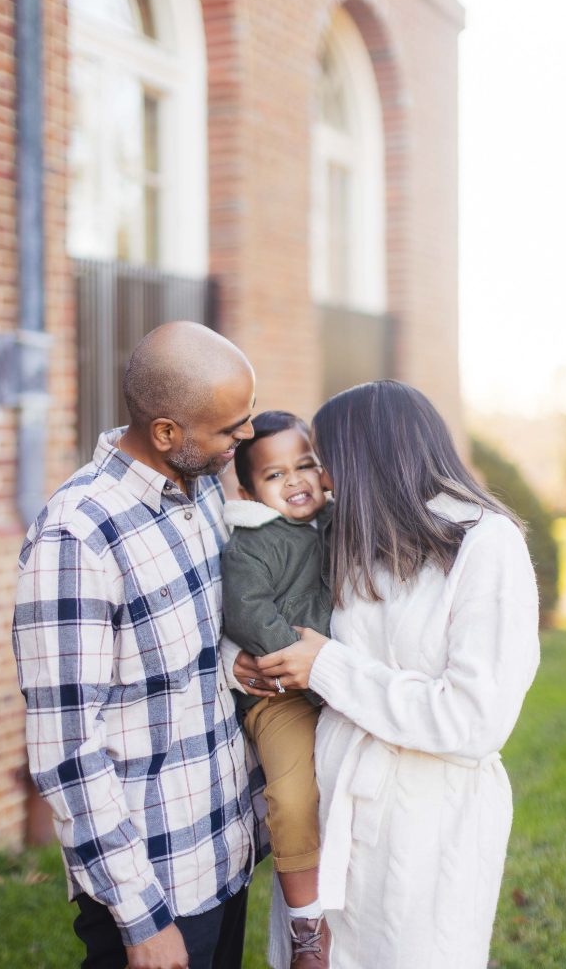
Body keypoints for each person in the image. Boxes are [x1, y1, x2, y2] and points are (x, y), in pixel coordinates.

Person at [253, 380, 540, 969]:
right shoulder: (355, 538)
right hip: (335, 794)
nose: (321, 480)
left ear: (369, 457)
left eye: (325, 461)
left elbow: (474, 719)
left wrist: (328, 666)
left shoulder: (486, 545)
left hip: (426, 821)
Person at [12, 321, 261, 969]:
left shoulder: (202, 491)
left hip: (223, 853)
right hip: (155, 882)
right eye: (231, 428)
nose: (247, 437)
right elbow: (66, 749)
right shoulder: (77, 537)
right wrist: (139, 917)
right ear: (166, 434)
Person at [221, 411, 332, 969]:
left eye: (305, 465)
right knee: (291, 798)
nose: (295, 481)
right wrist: (304, 666)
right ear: (247, 491)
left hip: (337, 681)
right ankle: (306, 927)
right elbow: (247, 613)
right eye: (275, 475)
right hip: (282, 693)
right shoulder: (253, 542)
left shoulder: (339, 521)